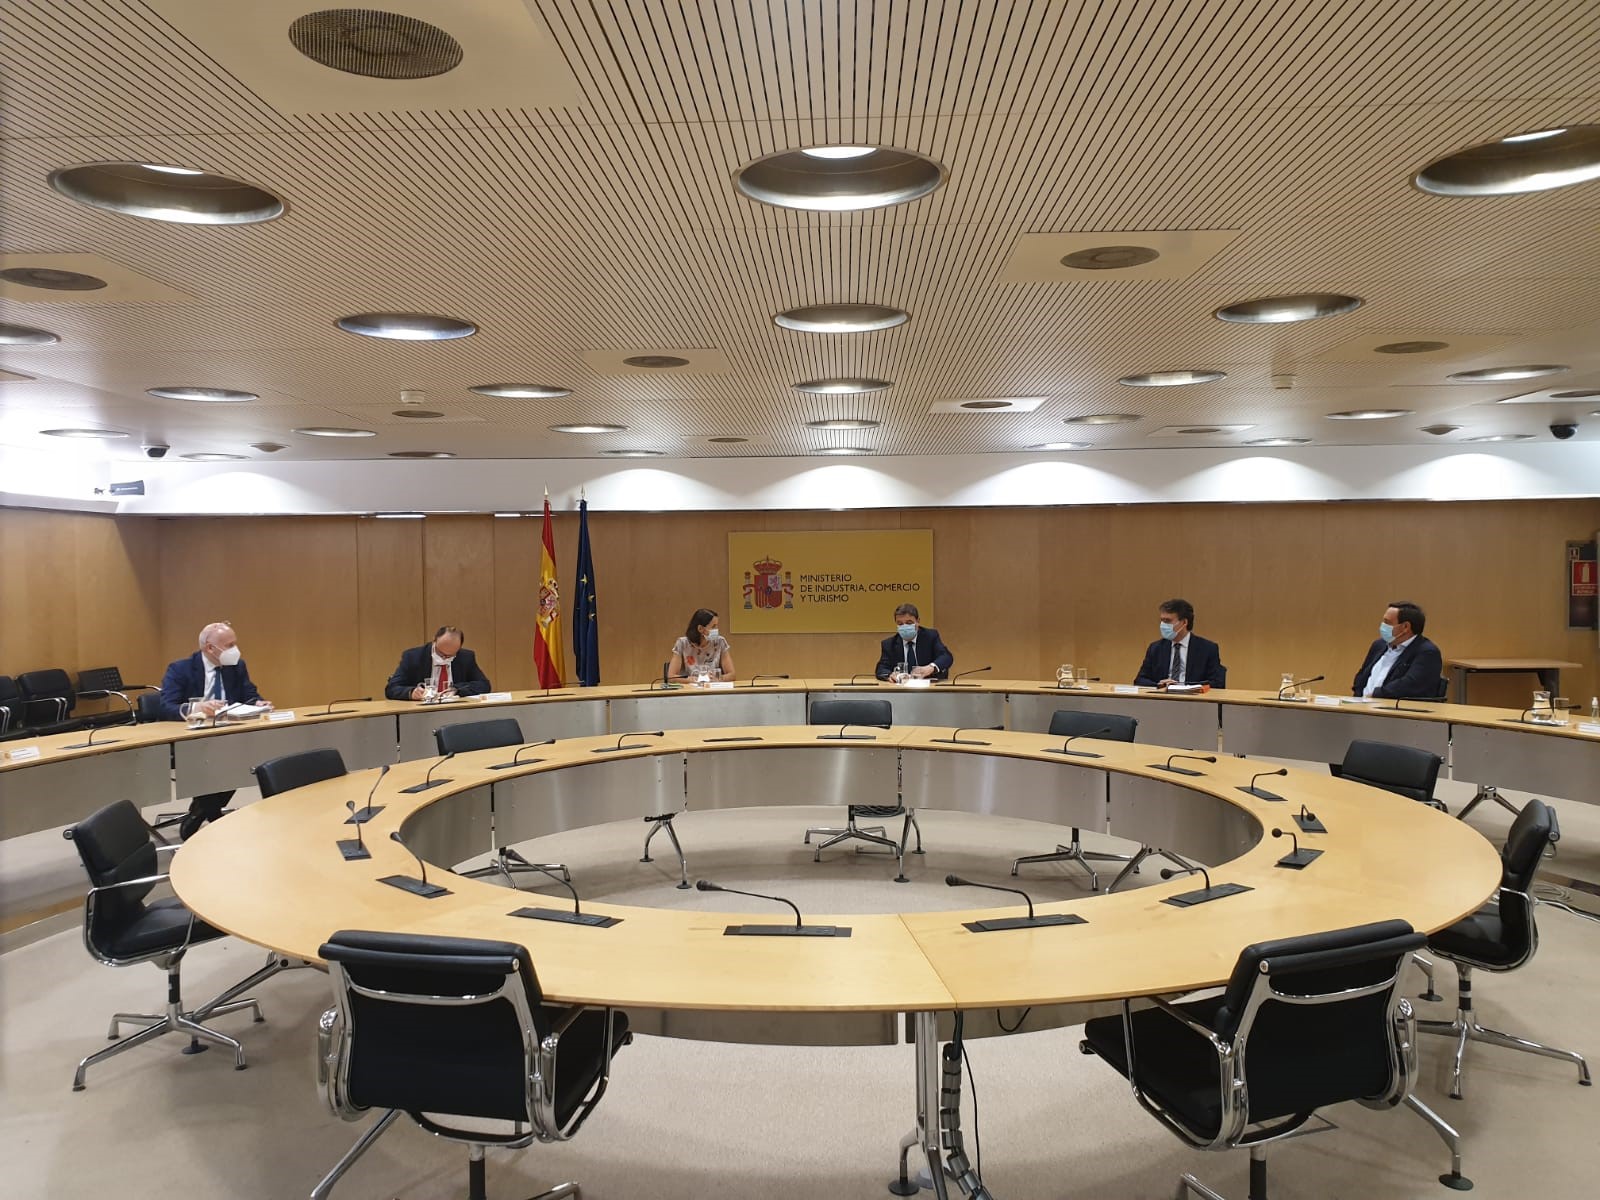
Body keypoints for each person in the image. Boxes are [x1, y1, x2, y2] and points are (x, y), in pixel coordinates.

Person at [158, 621, 272, 839]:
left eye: (235, 644)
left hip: (229, 734)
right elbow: (166, 707)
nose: (235, 650)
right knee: (210, 765)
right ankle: (215, 818)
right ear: (210, 648)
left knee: (241, 765)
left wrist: (258, 703)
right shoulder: (180, 669)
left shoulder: (236, 666)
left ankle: (200, 810)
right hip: (193, 739)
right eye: (229, 645)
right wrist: (197, 708)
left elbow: (249, 695)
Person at [1352, 601, 1442, 699]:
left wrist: (1375, 695)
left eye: (1387, 622)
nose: (1382, 626)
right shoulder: (1379, 645)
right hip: (1361, 704)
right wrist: (1358, 697)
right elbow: (1362, 675)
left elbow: (1410, 685)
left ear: (1405, 627)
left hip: (1392, 705)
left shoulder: (1427, 652)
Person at [1133, 598, 1226, 688]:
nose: (1163, 625)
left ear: (1184, 622)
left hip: (1193, 697)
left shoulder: (1207, 649)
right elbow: (1140, 680)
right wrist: (1159, 684)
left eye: (1167, 621)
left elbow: (1217, 682)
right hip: (1163, 696)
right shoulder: (1155, 648)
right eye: (1162, 620)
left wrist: (1185, 686)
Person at [385, 626, 492, 701]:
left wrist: (456, 690)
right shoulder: (413, 657)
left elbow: (484, 685)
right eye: (440, 653)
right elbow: (392, 688)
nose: (444, 658)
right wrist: (411, 692)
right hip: (422, 713)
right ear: (434, 640)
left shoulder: (465, 657)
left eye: (449, 656)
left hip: (455, 711)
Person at [875, 603, 953, 680]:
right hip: (902, 686)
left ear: (918, 621)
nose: (904, 626)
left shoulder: (930, 637)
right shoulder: (889, 644)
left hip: (928, 685)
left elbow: (946, 657)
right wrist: (890, 675)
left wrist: (930, 668)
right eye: (900, 623)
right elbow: (881, 669)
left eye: (909, 623)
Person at [669, 608, 735, 681]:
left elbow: (732, 675)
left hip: (713, 686)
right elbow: (671, 677)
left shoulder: (720, 642)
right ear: (700, 628)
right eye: (713, 626)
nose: (717, 629)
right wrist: (695, 680)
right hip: (690, 687)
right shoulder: (682, 643)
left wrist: (718, 678)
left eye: (717, 626)